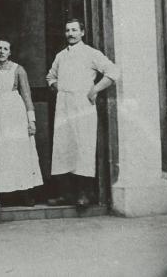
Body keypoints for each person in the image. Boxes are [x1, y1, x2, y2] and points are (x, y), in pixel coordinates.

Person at [47, 18, 120, 208]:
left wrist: (95, 90)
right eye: (67, 30)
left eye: (74, 30)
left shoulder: (91, 54)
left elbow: (113, 72)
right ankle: (66, 194)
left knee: (82, 147)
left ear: (82, 32)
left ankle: (84, 194)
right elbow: (50, 76)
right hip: (63, 106)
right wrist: (59, 88)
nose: (70, 34)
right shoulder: (61, 56)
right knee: (63, 148)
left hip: (83, 106)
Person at [0, 38, 42, 206]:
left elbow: (27, 96)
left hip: (16, 112)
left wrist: (31, 121)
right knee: (2, 152)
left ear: (10, 52)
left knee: (20, 151)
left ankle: (26, 193)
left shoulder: (18, 70)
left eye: (5, 49)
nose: (1, 52)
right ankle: (4, 196)